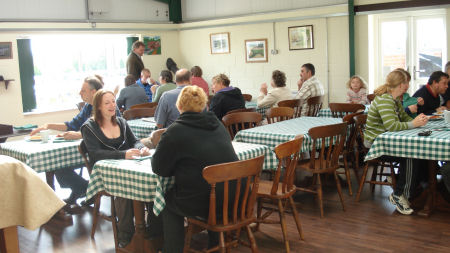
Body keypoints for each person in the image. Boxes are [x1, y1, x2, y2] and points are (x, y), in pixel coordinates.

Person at [149, 85, 241, 252]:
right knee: (210, 188)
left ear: (179, 106)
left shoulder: (175, 131)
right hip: (236, 198)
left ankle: (172, 249)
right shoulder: (218, 124)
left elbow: (159, 168)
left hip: (207, 203)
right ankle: (215, 243)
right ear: (204, 105)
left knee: (167, 201)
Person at [30, 76, 119, 205]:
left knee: (59, 165)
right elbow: (72, 124)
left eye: (83, 90)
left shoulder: (109, 108)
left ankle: (86, 190)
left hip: (102, 154)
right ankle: (84, 189)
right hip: (85, 152)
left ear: (93, 92)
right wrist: (48, 125)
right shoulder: (88, 107)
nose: (80, 93)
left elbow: (108, 130)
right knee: (59, 164)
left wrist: (79, 135)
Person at [81, 89, 150, 248]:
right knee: (124, 191)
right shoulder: (89, 127)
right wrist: (123, 154)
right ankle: (125, 236)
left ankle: (152, 232)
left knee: (148, 184)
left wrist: (141, 148)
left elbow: (135, 141)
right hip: (105, 175)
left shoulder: (121, 122)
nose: (112, 105)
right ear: (98, 106)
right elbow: (95, 154)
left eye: (113, 101)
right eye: (107, 103)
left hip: (129, 170)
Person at [364, 70, 428, 215]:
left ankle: (407, 189)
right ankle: (400, 194)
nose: (408, 86)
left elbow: (405, 118)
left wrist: (418, 120)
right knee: (411, 155)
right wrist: (414, 124)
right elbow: (392, 126)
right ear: (401, 85)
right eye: (407, 83)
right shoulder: (385, 100)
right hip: (376, 145)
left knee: (417, 154)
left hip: (388, 141)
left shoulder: (395, 99)